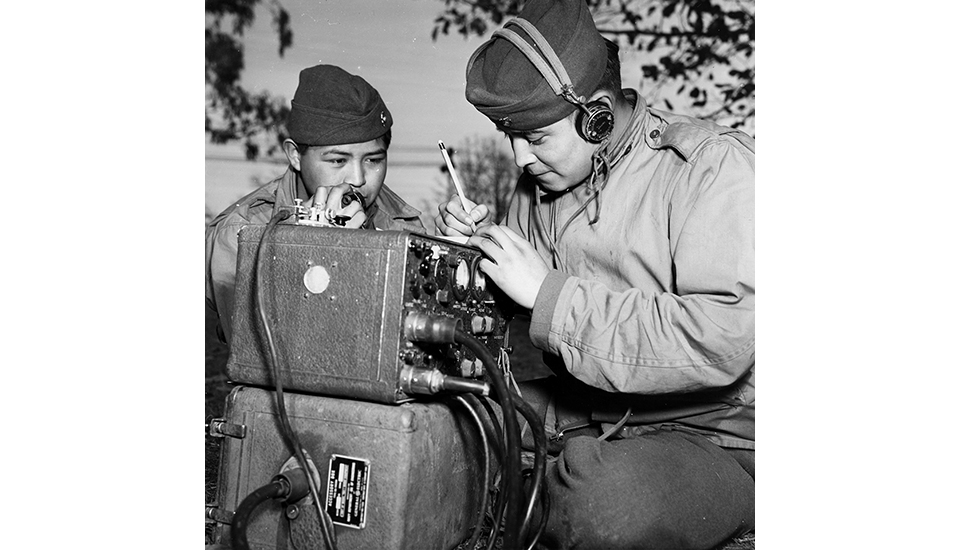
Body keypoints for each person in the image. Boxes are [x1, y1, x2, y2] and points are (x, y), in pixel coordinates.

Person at [435, 1, 755, 548]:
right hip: (586, 410)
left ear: (597, 116)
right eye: (508, 135)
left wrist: (547, 293)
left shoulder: (710, 167)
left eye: (535, 137)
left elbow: (720, 338)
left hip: (714, 436)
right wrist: (477, 259)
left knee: (600, 507)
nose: (519, 159)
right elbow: (518, 308)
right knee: (443, 423)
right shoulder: (542, 186)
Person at [206, 64, 424, 345]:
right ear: (295, 156)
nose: (357, 179)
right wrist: (300, 252)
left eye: (373, 160)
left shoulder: (401, 224)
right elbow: (255, 351)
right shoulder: (241, 235)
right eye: (337, 161)